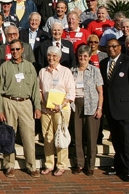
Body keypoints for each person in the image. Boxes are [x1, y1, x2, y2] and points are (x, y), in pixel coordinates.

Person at [0, 39, 42, 178]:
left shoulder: (29, 67)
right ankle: (9, 165)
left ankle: (31, 165)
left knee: (28, 135)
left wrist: (37, 106)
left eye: (17, 49)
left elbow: (35, 88)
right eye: (12, 49)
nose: (15, 52)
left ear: (22, 50)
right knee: (9, 136)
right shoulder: (4, 66)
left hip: (26, 103)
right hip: (8, 102)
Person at [100, 39, 129, 182]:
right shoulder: (103, 63)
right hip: (111, 109)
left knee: (127, 141)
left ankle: (128, 170)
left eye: (114, 46)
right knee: (116, 141)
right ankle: (118, 167)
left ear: (120, 47)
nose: (111, 49)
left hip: (126, 109)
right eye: (108, 47)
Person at [38, 46, 76, 176]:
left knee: (60, 136)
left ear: (59, 58)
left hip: (61, 110)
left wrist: (60, 105)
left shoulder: (66, 72)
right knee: (48, 137)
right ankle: (49, 164)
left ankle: (61, 165)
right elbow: (39, 90)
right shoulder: (42, 71)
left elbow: (71, 93)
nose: (51, 58)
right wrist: (43, 102)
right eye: (49, 55)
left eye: (54, 56)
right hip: (46, 110)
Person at [70, 45, 104, 176]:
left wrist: (100, 108)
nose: (82, 58)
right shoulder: (72, 70)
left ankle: (90, 165)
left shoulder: (95, 71)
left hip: (91, 105)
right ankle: (79, 163)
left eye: (85, 56)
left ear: (89, 57)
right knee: (77, 136)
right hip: (76, 104)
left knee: (91, 137)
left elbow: (100, 91)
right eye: (80, 56)